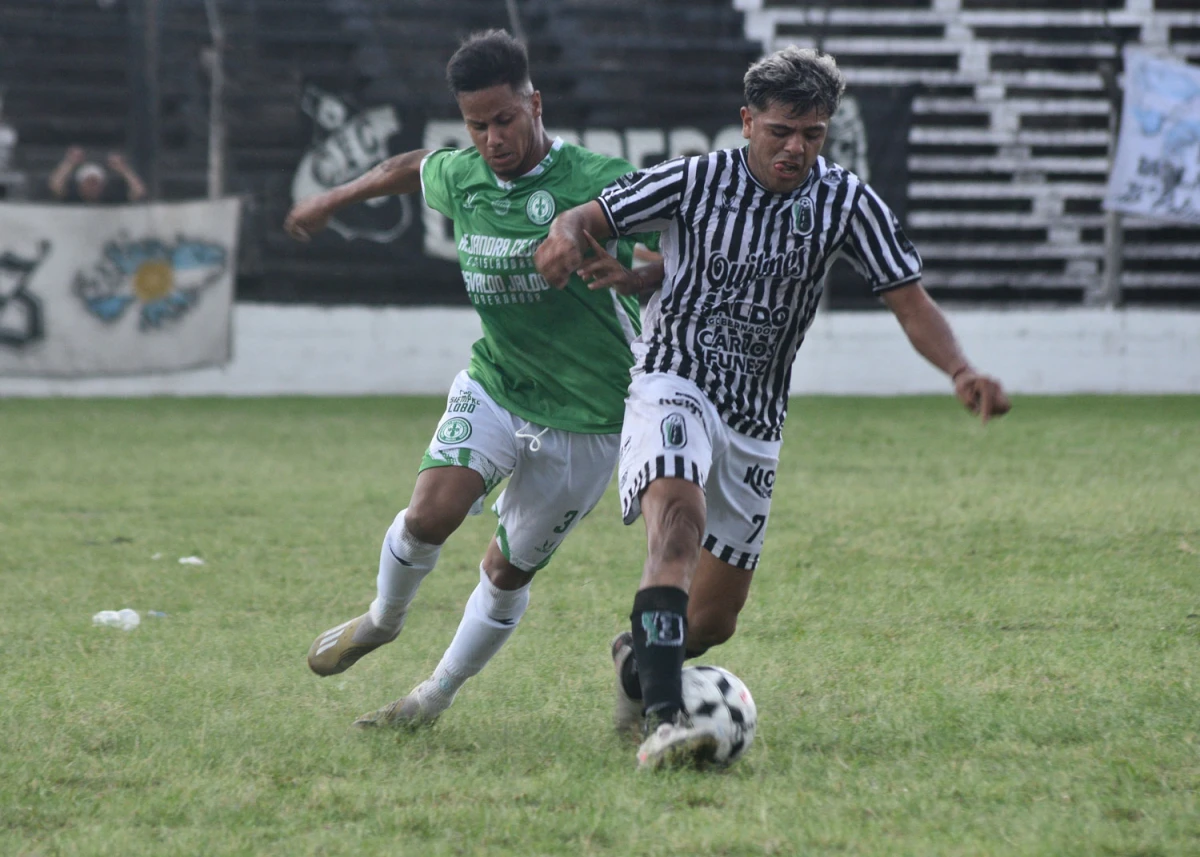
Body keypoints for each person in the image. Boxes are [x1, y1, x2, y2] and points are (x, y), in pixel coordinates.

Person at [534, 46, 1011, 769]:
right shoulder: (696, 179)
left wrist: (961, 368)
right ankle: (665, 720)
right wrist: (564, 242)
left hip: (756, 418)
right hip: (675, 379)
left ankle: (641, 664)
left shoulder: (847, 201)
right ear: (748, 119)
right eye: (781, 131)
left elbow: (909, 300)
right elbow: (585, 216)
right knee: (677, 531)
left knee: (715, 619)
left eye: (813, 135)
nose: (796, 149)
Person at [284, 29, 662, 729]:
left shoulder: (597, 179)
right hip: (496, 381)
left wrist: (632, 273)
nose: (492, 138)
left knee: (506, 570)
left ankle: (431, 697)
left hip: (586, 415)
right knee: (430, 511)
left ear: (536, 104)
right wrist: (333, 200)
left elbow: (665, 250)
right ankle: (381, 619)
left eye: (505, 120)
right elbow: (408, 166)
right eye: (477, 125)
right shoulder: (464, 176)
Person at [47, 147, 147, 203]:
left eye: (96, 183)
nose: (92, 187)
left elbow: (138, 192)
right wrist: (69, 162)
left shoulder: (111, 199)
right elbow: (55, 186)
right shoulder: (72, 198)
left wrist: (123, 169)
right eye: (88, 183)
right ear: (80, 184)